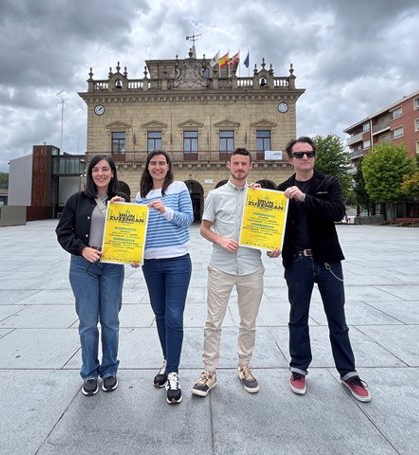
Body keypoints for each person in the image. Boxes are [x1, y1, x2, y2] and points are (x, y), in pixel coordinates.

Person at [276, 136, 371, 403]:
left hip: (328, 261)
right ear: (290, 159)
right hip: (298, 262)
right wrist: (274, 245)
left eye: (309, 153)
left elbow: (337, 211)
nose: (305, 158)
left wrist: (305, 198)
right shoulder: (283, 188)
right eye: (299, 154)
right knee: (298, 317)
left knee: (337, 319)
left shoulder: (328, 183)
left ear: (314, 156)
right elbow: (278, 226)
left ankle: (349, 372)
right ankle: (298, 368)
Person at [192, 148, 280, 397]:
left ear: (250, 167)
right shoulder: (216, 195)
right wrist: (220, 240)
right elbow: (204, 228)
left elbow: (272, 229)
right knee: (213, 322)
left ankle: (245, 367)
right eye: (236, 163)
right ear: (228, 165)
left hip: (252, 267)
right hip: (221, 266)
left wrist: (274, 247)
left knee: (248, 322)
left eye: (244, 164)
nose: (240, 167)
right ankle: (209, 372)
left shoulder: (260, 197)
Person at [56, 154, 126, 396]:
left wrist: (132, 253)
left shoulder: (121, 201)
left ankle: (109, 370)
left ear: (112, 173)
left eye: (105, 169)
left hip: (112, 267)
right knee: (87, 323)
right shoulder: (76, 200)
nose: (101, 173)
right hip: (83, 266)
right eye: (96, 169)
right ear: (90, 174)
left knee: (110, 321)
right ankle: (89, 372)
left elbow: (130, 233)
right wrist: (82, 249)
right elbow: (63, 232)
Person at [136, 150, 194, 404]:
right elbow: (137, 229)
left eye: (162, 163)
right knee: (159, 313)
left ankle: (173, 372)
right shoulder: (141, 195)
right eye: (153, 163)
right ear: (147, 167)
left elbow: (188, 219)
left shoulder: (179, 188)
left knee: (173, 315)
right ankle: (167, 360)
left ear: (169, 166)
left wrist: (165, 211)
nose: (157, 167)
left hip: (177, 261)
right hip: (151, 262)